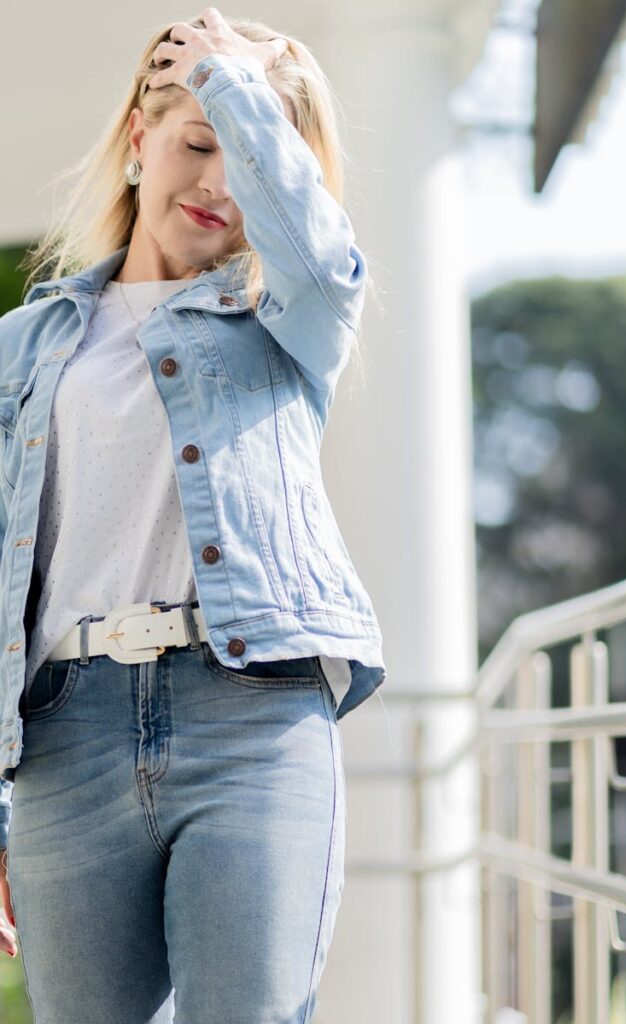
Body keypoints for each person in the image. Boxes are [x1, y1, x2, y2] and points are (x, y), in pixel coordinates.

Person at [0, 8, 386, 1021]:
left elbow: (321, 250)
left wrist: (232, 83)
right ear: (139, 141)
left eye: (249, 155)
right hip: (60, 736)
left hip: (249, 713)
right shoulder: (24, 347)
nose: (218, 182)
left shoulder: (290, 319)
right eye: (196, 142)